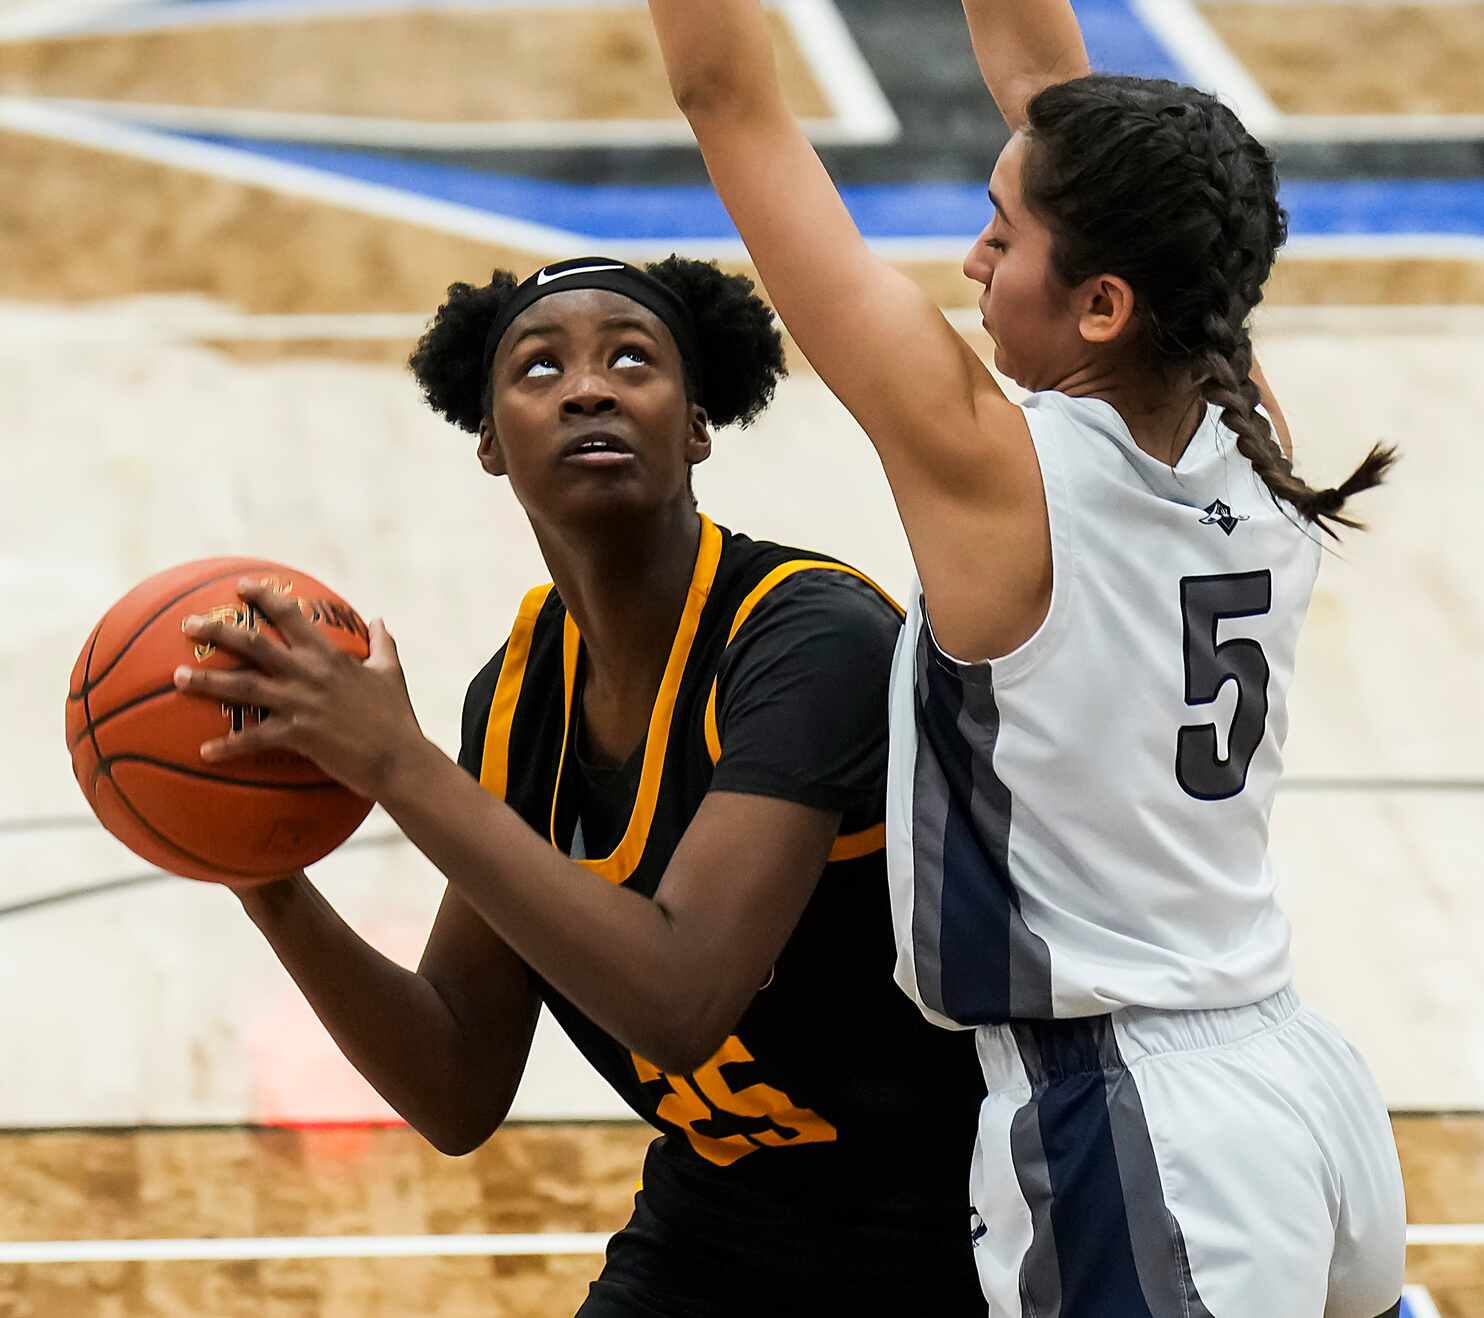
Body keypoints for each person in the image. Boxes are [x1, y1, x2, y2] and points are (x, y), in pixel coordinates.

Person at [551, 0, 1407, 1317]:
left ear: (1095, 301)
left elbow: (729, 102)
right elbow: (1047, 79)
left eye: (1000, 238)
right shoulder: (1231, 390)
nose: (967, 252)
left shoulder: (990, 471)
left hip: (1133, 1124)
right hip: (1299, 1082)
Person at [174, 251, 983, 1315]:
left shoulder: (809, 639)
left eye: (631, 359)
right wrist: (259, 872)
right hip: (724, 1218)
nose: (588, 386)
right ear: (488, 441)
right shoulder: (518, 700)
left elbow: (679, 1000)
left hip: (956, 1230)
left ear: (696, 424)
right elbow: (454, 1082)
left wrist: (394, 762)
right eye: (540, 369)